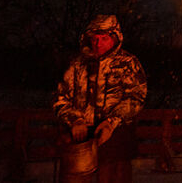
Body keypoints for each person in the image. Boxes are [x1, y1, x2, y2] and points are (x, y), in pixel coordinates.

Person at [53, 14, 147, 183]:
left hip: (116, 141)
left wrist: (111, 122)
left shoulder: (127, 63)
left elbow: (136, 97)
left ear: (114, 38)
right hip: (79, 141)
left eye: (104, 39)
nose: (98, 43)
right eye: (95, 39)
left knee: (112, 177)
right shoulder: (77, 65)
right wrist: (75, 120)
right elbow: (60, 98)